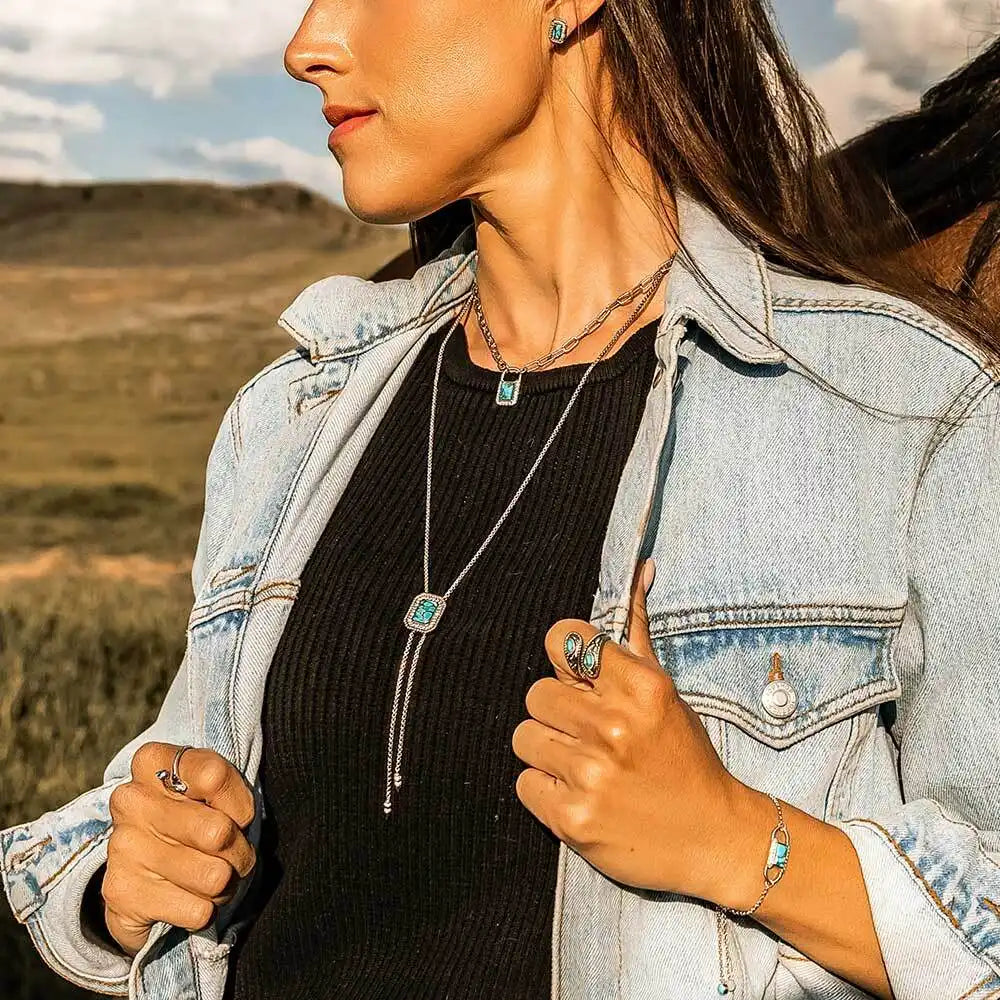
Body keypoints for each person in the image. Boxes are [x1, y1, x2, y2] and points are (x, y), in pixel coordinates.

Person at [2, 4, 999, 1000]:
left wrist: (741, 843)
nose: (306, 44)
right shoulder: (294, 418)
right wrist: (124, 885)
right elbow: (138, 811)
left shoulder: (908, 411)